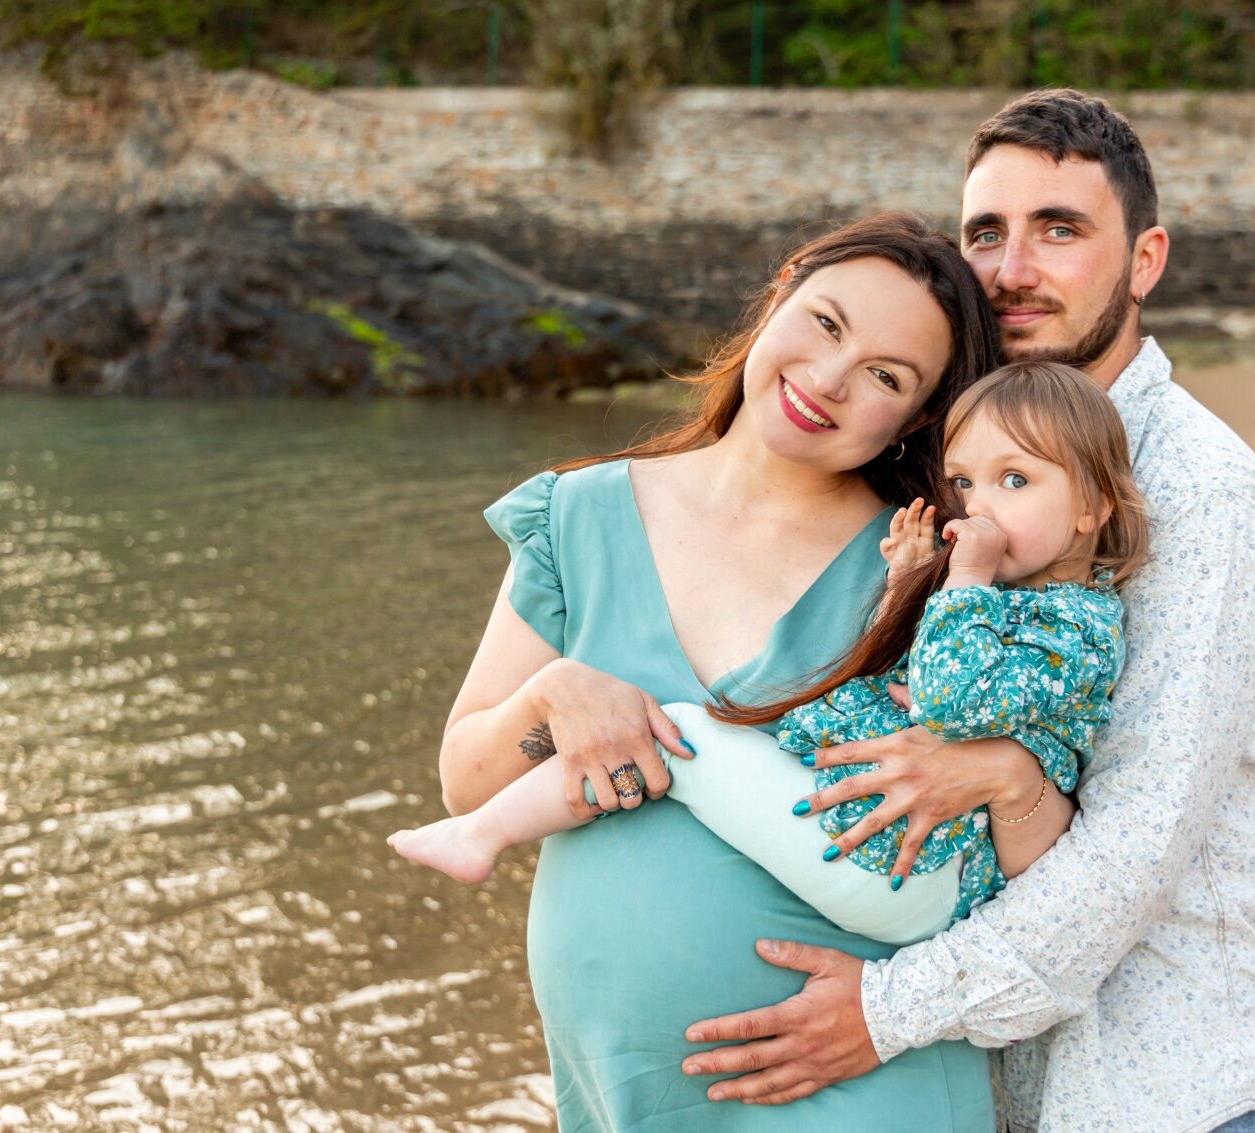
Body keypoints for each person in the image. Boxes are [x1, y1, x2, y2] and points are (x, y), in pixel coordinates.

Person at [677, 90, 1255, 1133]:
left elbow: (1137, 843)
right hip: (969, 1081)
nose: (1011, 270)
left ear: (1143, 260)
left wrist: (880, 1012)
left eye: (1058, 230)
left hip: (1150, 1084)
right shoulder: (953, 455)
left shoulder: (1200, 493)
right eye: (985, 233)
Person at [429, 210, 1024, 1131]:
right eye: (826, 324)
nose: (827, 380)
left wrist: (896, 1002)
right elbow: (466, 779)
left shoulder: (929, 568)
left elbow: (1031, 831)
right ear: (782, 289)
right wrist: (553, 696)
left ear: (916, 419)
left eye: (885, 377)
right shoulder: (578, 516)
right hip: (628, 1090)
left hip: (858, 1084)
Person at [391, 361, 1146, 949]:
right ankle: (485, 827)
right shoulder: (1009, 599)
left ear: (1092, 506)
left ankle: (483, 834)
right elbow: (906, 680)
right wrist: (909, 586)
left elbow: (949, 701)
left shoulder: (1077, 630)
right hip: (885, 840)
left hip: (915, 869)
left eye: (1016, 480)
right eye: (964, 481)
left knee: (675, 736)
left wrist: (965, 577)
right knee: (687, 736)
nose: (978, 506)